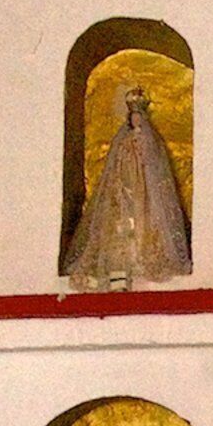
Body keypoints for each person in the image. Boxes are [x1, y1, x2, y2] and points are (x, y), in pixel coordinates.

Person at [64, 86, 191, 289]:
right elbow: (115, 163)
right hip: (126, 185)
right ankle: (120, 268)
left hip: (145, 190)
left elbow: (156, 167)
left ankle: (142, 259)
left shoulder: (152, 141)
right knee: (120, 224)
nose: (136, 121)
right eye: (133, 117)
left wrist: (142, 159)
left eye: (139, 117)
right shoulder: (122, 140)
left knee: (146, 221)